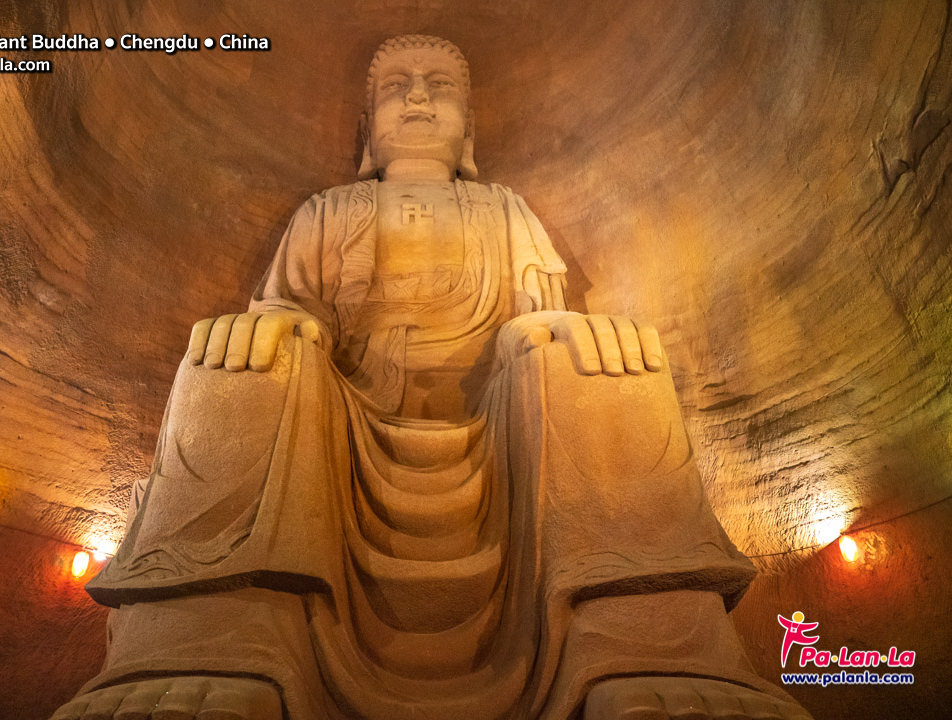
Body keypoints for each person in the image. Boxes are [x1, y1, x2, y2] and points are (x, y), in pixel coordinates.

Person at [54, 35, 812, 720]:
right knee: (242, 358)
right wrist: (281, 322)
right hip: (337, 429)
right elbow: (294, 310)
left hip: (495, 430)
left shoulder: (504, 209)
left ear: (469, 127)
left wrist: (559, 330)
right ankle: (209, 646)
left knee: (591, 358)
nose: (417, 98)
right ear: (367, 128)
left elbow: (532, 316)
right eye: (397, 87)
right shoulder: (327, 209)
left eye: (438, 86)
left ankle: (642, 648)